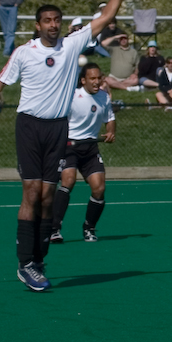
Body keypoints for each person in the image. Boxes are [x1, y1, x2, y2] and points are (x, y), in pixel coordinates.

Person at [0, 0, 138, 292]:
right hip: (30, 127)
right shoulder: (23, 53)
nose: (53, 25)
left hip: (59, 129)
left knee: (48, 196)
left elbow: (107, 16)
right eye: (47, 20)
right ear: (37, 25)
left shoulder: (72, 44)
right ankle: (25, 263)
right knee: (31, 193)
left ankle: (39, 260)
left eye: (57, 20)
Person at [50, 63, 116, 244]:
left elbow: (110, 119)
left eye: (99, 78)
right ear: (83, 80)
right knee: (68, 181)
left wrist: (110, 131)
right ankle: (54, 228)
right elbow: (58, 120)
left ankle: (89, 227)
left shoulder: (104, 97)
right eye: (92, 79)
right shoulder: (72, 97)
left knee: (99, 188)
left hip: (90, 148)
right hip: (69, 146)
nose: (97, 82)